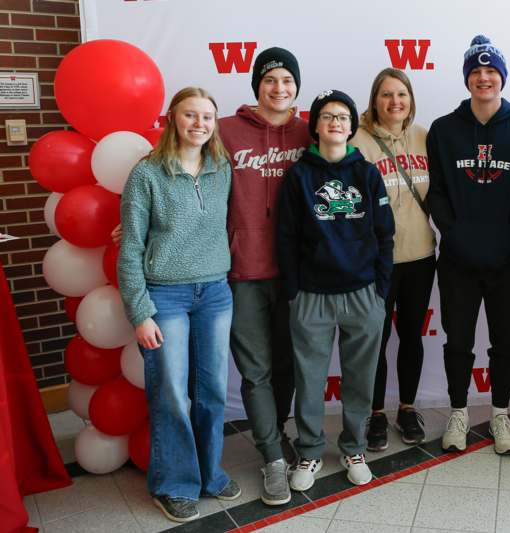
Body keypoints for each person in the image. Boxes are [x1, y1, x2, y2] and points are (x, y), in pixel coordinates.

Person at [117, 87, 240, 523]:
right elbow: (130, 247)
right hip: (164, 295)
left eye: (208, 117)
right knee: (170, 391)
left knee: (210, 390)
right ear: (172, 118)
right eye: (191, 115)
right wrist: (140, 311)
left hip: (214, 293)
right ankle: (173, 484)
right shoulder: (147, 174)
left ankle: (209, 474)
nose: (199, 124)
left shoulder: (221, 168)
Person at [426, 36, 510, 455]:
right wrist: (454, 233)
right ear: (466, 78)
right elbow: (436, 192)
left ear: (502, 78)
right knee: (457, 342)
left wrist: (509, 232)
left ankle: (499, 413)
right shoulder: (443, 129)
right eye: (475, 71)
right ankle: (458, 412)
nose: (483, 78)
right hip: (457, 259)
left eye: (491, 71)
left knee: (505, 342)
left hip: (508, 259)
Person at [277, 89, 394, 491]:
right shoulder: (300, 176)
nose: (335, 123)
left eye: (343, 117)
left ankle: (354, 446)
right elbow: (287, 238)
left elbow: (385, 235)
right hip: (311, 295)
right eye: (327, 116)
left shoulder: (367, 173)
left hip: (362, 293)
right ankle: (309, 451)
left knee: (360, 378)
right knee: (309, 380)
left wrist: (380, 290)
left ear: (351, 126)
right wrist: (294, 291)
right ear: (316, 126)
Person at [217, 47, 311, 506]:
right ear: (257, 85)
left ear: (297, 86)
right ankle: (272, 457)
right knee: (255, 371)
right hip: (245, 271)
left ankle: (279, 431)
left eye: (287, 80)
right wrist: (138, 214)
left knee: (287, 364)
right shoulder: (224, 132)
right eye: (270, 79)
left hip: (297, 273)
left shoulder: (311, 130)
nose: (279, 88)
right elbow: (177, 165)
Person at [351, 68, 436, 451]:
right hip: (377, 261)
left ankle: (406, 407)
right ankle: (376, 414)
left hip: (420, 255)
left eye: (401, 94)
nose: (395, 102)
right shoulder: (357, 142)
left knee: (412, 335)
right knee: (377, 337)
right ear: (374, 100)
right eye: (386, 95)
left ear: (411, 99)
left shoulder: (423, 137)